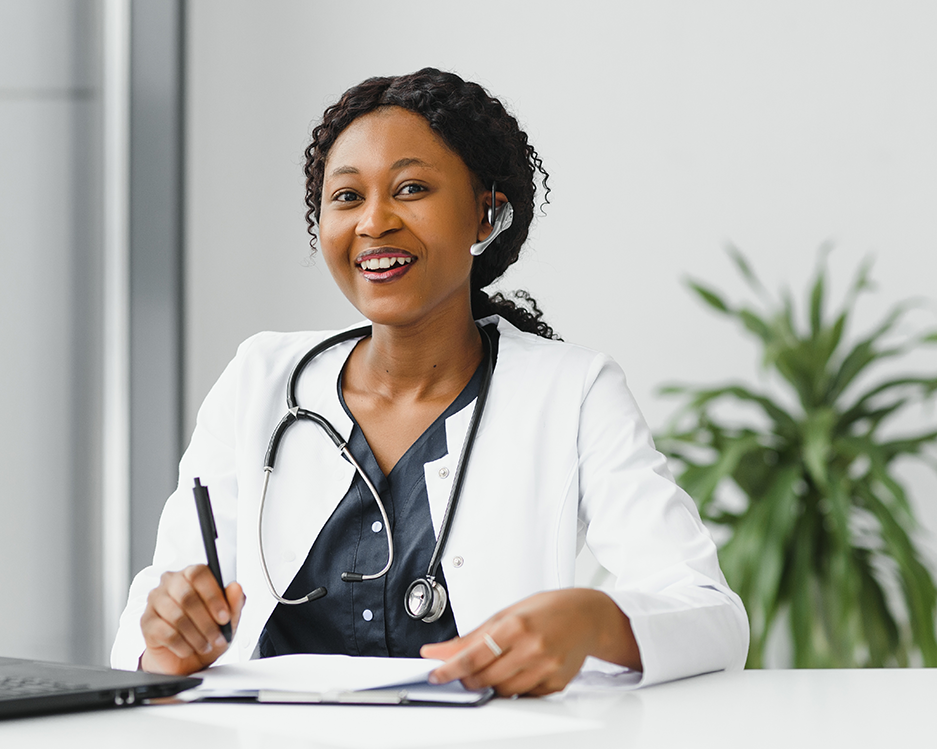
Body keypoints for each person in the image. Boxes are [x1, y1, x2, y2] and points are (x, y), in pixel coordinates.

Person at [111, 68, 748, 696]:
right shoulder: (259, 379)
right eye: (347, 196)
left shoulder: (573, 392)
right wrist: (166, 640)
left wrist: (595, 621)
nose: (374, 221)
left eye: (412, 188)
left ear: (485, 216)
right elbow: (158, 613)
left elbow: (710, 615)